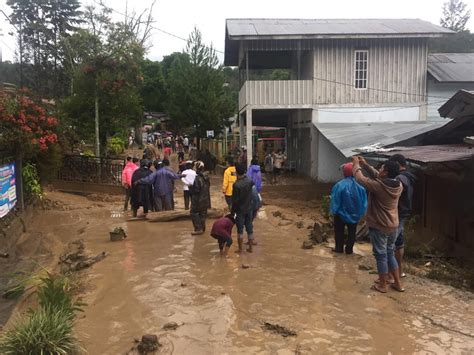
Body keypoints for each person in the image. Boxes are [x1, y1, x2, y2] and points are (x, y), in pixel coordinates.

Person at [353, 156, 404, 293]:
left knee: (381, 255)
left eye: (381, 168)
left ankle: (382, 285)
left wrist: (356, 165)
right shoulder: (398, 185)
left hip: (379, 225)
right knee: (390, 253)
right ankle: (398, 283)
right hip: (393, 224)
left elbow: (360, 179)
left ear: (386, 172)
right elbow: (378, 176)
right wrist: (366, 165)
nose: (379, 170)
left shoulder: (379, 187)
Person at [330, 162, 368, 254]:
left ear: (344, 173)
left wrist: (333, 211)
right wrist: (360, 214)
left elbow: (335, 201)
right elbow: (364, 203)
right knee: (352, 232)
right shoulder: (361, 188)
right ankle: (349, 250)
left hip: (340, 214)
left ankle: (339, 248)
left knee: (339, 232)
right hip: (354, 215)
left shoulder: (339, 185)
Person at [388, 154, 416, 279]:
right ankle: (400, 271)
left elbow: (399, 186)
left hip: (398, 214)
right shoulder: (408, 176)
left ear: (398, 165)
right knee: (399, 243)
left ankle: (390, 275)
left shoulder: (400, 178)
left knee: (390, 245)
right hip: (403, 213)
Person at [231, 163, 255, 253]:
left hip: (240, 210)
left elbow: (235, 201)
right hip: (249, 209)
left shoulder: (236, 185)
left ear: (236, 172)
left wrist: (232, 212)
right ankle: (251, 248)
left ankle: (240, 249)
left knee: (240, 230)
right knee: (249, 228)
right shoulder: (249, 181)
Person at [188, 161, 211, 235]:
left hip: (198, 200)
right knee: (203, 213)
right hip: (206, 199)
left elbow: (196, 190)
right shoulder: (207, 177)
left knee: (193, 212)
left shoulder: (197, 179)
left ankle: (198, 228)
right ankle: (202, 228)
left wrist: (190, 187)